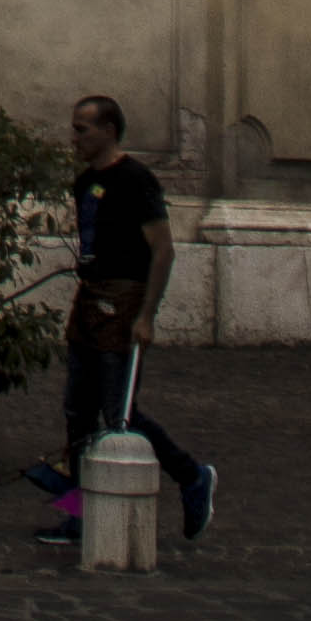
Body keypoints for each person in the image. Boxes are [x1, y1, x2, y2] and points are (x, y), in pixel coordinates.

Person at [31, 93, 216, 542]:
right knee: (78, 409)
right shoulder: (84, 184)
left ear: (109, 130)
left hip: (124, 298)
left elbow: (163, 250)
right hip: (90, 296)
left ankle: (191, 475)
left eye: (83, 129)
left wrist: (146, 315)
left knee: (119, 413)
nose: (74, 137)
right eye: (74, 127)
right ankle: (78, 511)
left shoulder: (136, 180)